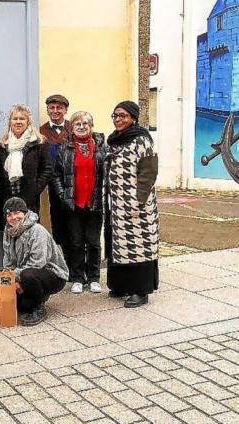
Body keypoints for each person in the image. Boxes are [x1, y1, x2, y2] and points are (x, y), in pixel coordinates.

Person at [105, 101, 160, 308]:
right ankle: (121, 285)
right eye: (115, 115)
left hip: (138, 206)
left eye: (123, 116)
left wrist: (139, 201)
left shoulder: (141, 140)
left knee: (139, 246)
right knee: (119, 245)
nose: (118, 119)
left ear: (133, 118)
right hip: (117, 205)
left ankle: (140, 290)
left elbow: (148, 172)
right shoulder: (115, 141)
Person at [52, 111, 106, 294]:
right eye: (78, 124)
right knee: (75, 242)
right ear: (71, 127)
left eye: (85, 124)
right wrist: (63, 194)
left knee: (93, 242)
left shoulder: (101, 147)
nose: (82, 127)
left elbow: (107, 174)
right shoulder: (65, 148)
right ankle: (77, 277)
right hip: (74, 204)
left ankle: (94, 278)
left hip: (95, 202)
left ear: (91, 126)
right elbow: (56, 175)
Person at [2, 197, 68, 326]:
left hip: (52, 274)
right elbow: (8, 260)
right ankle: (34, 298)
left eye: (17, 213)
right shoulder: (8, 232)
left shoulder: (37, 231)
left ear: (25, 213)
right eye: (9, 214)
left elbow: (38, 263)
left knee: (28, 275)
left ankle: (39, 307)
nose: (13, 217)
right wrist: (9, 278)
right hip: (24, 273)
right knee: (19, 306)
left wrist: (17, 277)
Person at [0, 104, 52, 231]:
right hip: (8, 198)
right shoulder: (3, 144)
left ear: (28, 122)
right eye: (15, 119)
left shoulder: (39, 143)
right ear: (10, 122)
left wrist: (35, 188)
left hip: (29, 198)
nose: (18, 122)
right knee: (10, 235)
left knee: (30, 234)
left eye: (22, 119)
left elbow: (47, 169)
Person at [40, 95, 73, 268]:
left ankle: (75, 261)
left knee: (73, 223)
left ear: (65, 110)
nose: (55, 111)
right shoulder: (42, 132)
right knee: (57, 222)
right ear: (47, 110)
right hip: (53, 186)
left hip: (73, 185)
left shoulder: (73, 128)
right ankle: (62, 262)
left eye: (59, 108)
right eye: (51, 107)